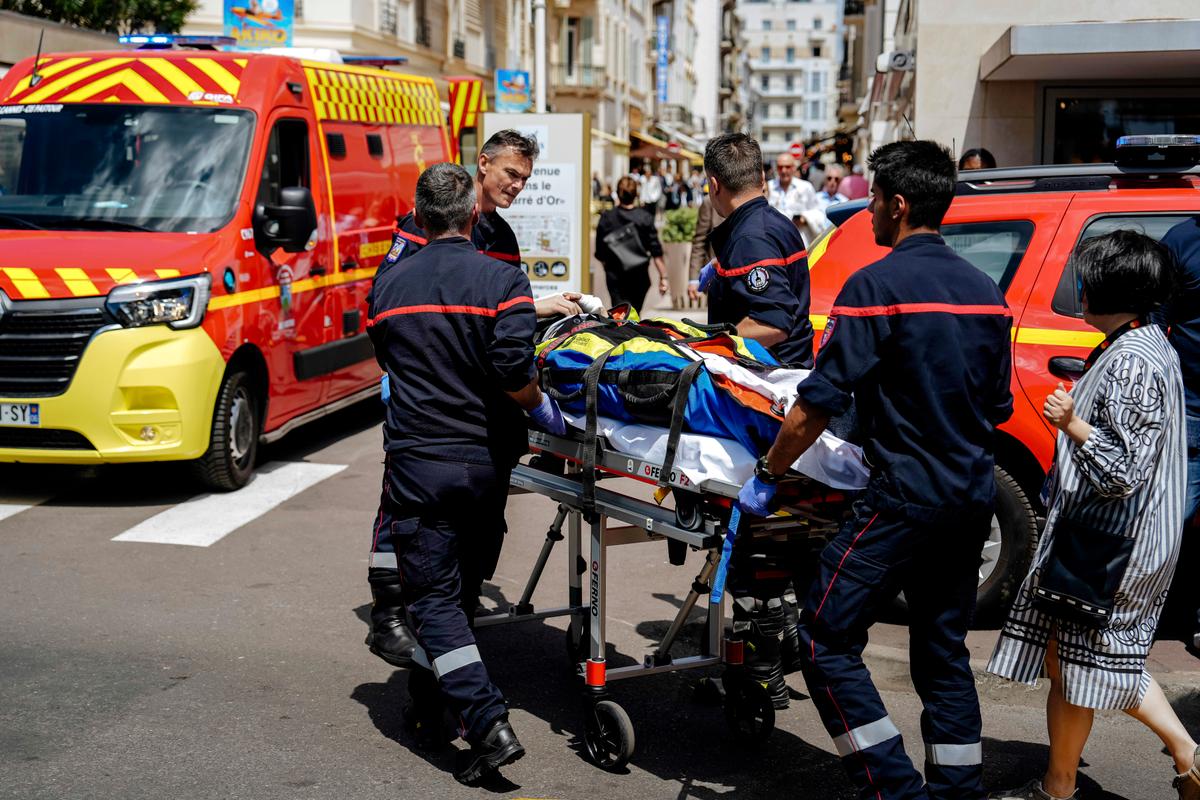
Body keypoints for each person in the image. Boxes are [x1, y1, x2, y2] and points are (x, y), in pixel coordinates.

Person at [737, 140, 1013, 799]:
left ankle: (891, 786)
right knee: (944, 656)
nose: (867, 217)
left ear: (898, 204)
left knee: (824, 637)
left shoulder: (874, 287)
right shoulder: (986, 294)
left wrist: (770, 474)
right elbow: (997, 406)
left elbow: (815, 406)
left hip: (900, 501)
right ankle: (958, 789)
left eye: (873, 206)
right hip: (970, 498)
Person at [368, 162, 565, 784]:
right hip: (483, 465)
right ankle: (431, 708)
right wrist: (544, 409)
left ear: (420, 216)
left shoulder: (389, 286)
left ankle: (485, 722)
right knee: (455, 598)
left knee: (435, 602)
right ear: (472, 215)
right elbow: (513, 370)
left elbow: (392, 359)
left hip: (418, 464)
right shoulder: (504, 279)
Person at [987, 232, 1197, 800]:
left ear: (1113, 287)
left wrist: (1072, 423)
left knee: (1089, 667)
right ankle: (1073, 781)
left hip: (1114, 546)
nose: (1079, 288)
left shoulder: (1134, 359)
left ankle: (1075, 784)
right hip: (1113, 540)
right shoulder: (1145, 341)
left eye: (1088, 277)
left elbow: (1122, 471)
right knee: (1078, 662)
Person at [704, 134, 814, 367]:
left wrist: (712, 346)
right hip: (785, 370)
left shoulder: (751, 238)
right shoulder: (776, 222)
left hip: (768, 379)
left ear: (714, 185)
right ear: (762, 179)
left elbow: (773, 324)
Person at [1161, 216, 1200, 657]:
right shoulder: (1182, 240)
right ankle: (1148, 617)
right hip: (1189, 407)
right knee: (1171, 520)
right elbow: (1156, 320)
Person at [594, 176, 669, 313]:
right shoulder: (644, 217)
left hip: (615, 275)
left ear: (617, 193)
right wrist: (663, 277)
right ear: (636, 194)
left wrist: (608, 265)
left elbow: (600, 252)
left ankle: (622, 332)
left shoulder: (607, 218)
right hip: (639, 275)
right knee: (635, 312)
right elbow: (655, 251)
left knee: (619, 313)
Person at [767, 153, 826, 245]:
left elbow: (819, 213)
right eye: (780, 167)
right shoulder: (769, 187)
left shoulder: (805, 187)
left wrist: (804, 218)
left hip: (799, 242)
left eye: (787, 167)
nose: (783, 170)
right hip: (775, 242)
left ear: (794, 168)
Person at [687, 194, 724, 304]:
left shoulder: (761, 196)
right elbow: (699, 241)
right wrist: (694, 279)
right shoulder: (710, 202)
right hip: (717, 282)